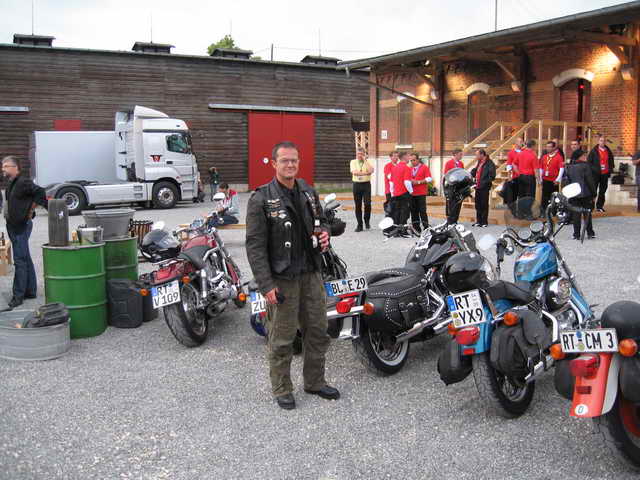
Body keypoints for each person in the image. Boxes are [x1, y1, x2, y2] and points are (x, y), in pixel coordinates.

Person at [245, 141, 338, 410]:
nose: (290, 165)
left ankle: (315, 382)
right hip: (282, 279)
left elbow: (322, 222)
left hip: (311, 274)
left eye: (294, 160)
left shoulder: (308, 191)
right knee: (282, 338)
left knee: (318, 332)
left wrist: (324, 234)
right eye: (285, 160)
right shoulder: (261, 199)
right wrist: (266, 284)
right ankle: (282, 388)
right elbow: (255, 246)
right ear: (274, 163)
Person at [2, 156, 48, 309]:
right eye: (3, 166)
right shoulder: (12, 183)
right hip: (13, 226)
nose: (3, 168)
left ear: (15, 167)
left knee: (20, 260)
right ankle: (31, 290)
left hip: (21, 226)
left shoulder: (23, 182)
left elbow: (40, 192)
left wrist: (31, 210)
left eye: (6, 166)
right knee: (25, 257)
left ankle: (18, 296)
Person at [564, 150, 596, 239]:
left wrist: (569, 194)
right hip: (585, 193)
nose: (586, 157)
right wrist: (594, 193)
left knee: (576, 215)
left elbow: (567, 182)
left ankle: (576, 234)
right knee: (587, 214)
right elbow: (590, 181)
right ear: (580, 157)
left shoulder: (569, 167)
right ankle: (590, 233)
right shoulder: (586, 166)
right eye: (584, 156)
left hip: (574, 193)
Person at [587, 135, 614, 212]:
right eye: (601, 140)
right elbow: (589, 162)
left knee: (602, 191)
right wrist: (593, 170)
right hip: (595, 174)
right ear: (598, 141)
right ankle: (590, 206)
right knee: (593, 190)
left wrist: (610, 170)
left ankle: (599, 206)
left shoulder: (608, 151)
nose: (603, 142)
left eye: (604, 141)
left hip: (605, 173)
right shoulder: (593, 151)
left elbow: (611, 161)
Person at [469, 149, 496, 227]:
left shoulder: (490, 163)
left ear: (482, 155)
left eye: (477, 155)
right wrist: (472, 173)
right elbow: (476, 171)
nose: (476, 156)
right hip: (477, 186)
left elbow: (492, 176)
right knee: (478, 204)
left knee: (484, 204)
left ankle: (484, 222)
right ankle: (478, 221)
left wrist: (484, 183)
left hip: (484, 187)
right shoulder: (479, 162)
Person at [514, 139, 540, 218]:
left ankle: (520, 214)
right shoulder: (533, 155)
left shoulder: (520, 153)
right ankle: (528, 214)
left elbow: (514, 164)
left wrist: (518, 173)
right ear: (533, 146)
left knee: (521, 195)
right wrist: (538, 180)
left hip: (521, 176)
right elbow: (536, 169)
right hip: (530, 177)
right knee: (530, 196)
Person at [350, 148, 374, 231]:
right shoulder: (353, 162)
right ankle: (359, 224)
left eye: (361, 154)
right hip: (357, 185)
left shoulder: (368, 162)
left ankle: (367, 221)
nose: (359, 155)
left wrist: (365, 161)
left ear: (364, 154)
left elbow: (371, 170)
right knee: (358, 205)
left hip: (366, 185)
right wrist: (366, 173)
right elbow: (355, 172)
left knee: (367, 204)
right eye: (358, 154)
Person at [389, 152, 413, 236]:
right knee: (404, 213)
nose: (409, 158)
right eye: (408, 156)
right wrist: (411, 191)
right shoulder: (406, 168)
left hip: (396, 193)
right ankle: (403, 231)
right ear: (404, 157)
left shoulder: (394, 168)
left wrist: (392, 193)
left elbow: (391, 182)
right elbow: (407, 182)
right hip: (404, 193)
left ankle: (396, 232)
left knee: (397, 212)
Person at [539, 141, 565, 217]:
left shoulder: (559, 157)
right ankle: (543, 212)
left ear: (554, 148)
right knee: (544, 197)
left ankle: (554, 212)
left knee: (554, 197)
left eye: (550, 147)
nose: (548, 148)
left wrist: (558, 179)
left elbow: (561, 169)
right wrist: (540, 178)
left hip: (554, 181)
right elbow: (541, 168)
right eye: (547, 147)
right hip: (545, 179)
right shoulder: (544, 157)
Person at [409, 153, 431, 232]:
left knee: (422, 211)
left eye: (414, 160)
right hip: (412, 193)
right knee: (413, 212)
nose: (412, 162)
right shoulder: (410, 168)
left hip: (421, 193)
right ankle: (416, 228)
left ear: (418, 160)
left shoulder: (424, 167)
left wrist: (418, 182)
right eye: (411, 160)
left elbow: (429, 179)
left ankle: (426, 228)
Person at [443, 149, 464, 224]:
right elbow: (446, 174)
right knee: (451, 203)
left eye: (462, 154)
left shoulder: (461, 163)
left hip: (459, 186)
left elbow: (462, 173)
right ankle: (450, 220)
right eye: (460, 154)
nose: (461, 156)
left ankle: (455, 220)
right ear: (455, 154)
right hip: (451, 186)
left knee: (458, 202)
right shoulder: (449, 163)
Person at [383, 151, 399, 217]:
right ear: (390, 157)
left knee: (397, 209)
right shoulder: (387, 166)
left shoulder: (399, 165)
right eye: (394, 156)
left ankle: (396, 222)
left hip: (398, 191)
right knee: (390, 209)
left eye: (397, 156)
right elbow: (390, 177)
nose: (396, 157)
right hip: (389, 191)